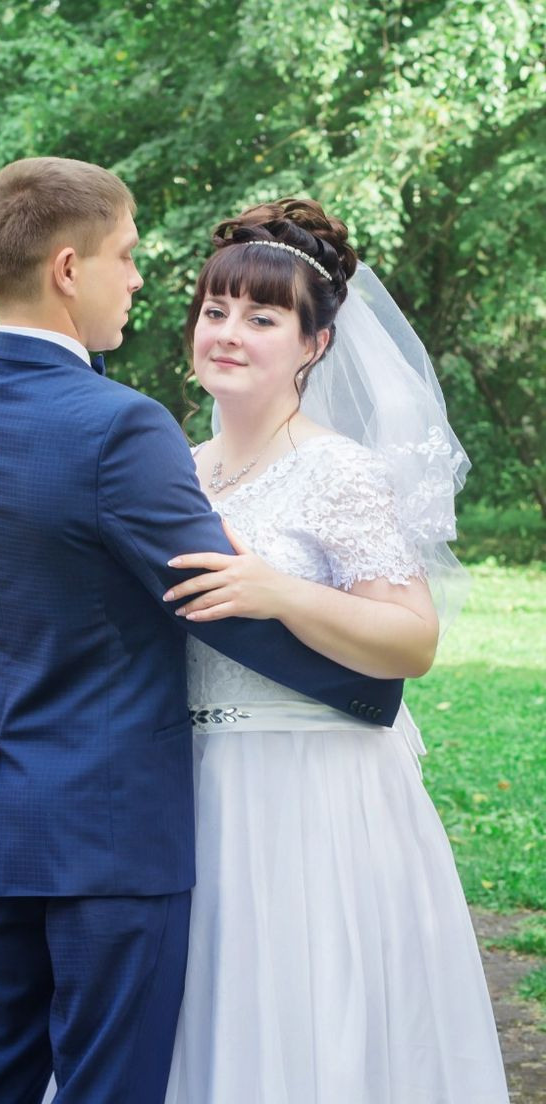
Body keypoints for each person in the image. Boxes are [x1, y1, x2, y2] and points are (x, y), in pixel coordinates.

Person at [0, 160, 401, 1104]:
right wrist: (374, 685)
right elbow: (212, 597)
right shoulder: (120, 426)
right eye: (127, 255)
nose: (140, 279)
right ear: (69, 270)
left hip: (5, 807)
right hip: (114, 825)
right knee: (109, 1084)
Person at [162, 199, 510, 1103]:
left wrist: (280, 592)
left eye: (262, 317)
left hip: (313, 789)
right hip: (192, 785)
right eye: (215, 310)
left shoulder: (339, 469)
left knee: (307, 1018)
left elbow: (412, 639)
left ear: (314, 345)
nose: (228, 333)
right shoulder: (179, 469)